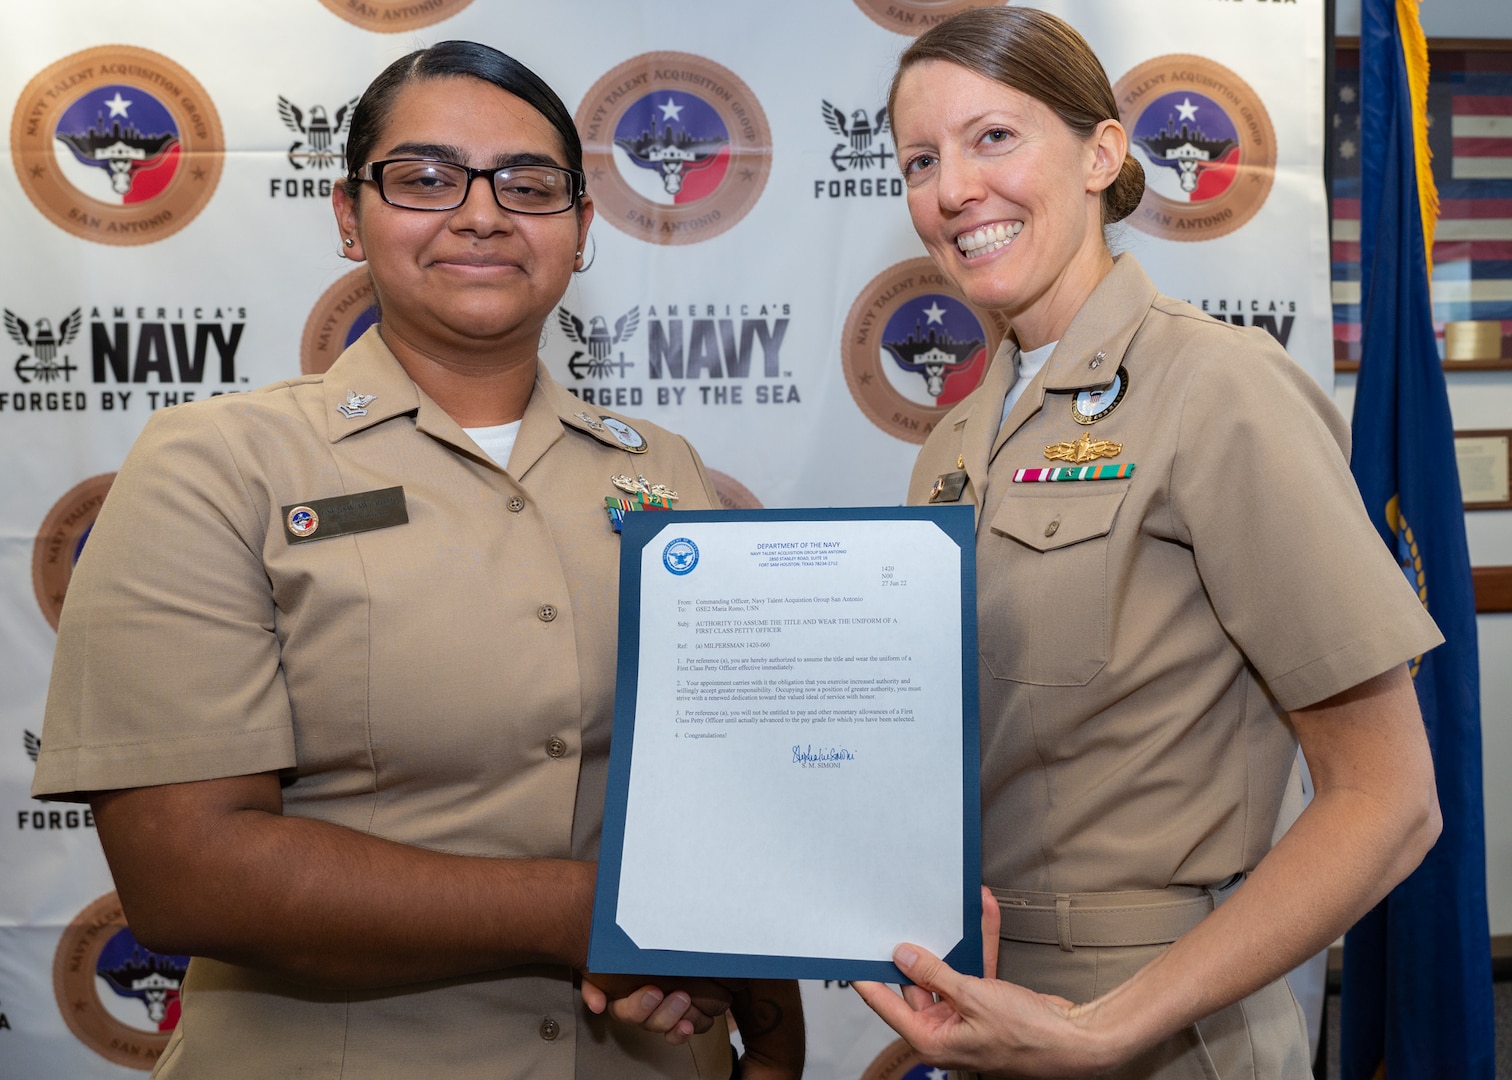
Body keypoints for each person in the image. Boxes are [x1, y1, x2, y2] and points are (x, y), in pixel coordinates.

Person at [31, 40, 802, 1080]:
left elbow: (728, 786)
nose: (482, 213)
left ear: (580, 231)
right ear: (350, 216)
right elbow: (185, 873)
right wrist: (579, 910)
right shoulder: (215, 463)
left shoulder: (662, 468)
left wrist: (773, 1019)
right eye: (427, 178)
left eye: (529, 185)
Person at [850, 9, 1443, 1078]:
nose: (952, 190)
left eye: (994, 138)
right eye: (920, 160)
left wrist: (1108, 1026)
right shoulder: (953, 439)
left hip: (1167, 1022)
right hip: (977, 997)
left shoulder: (1220, 390)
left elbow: (1388, 801)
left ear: (1103, 154)